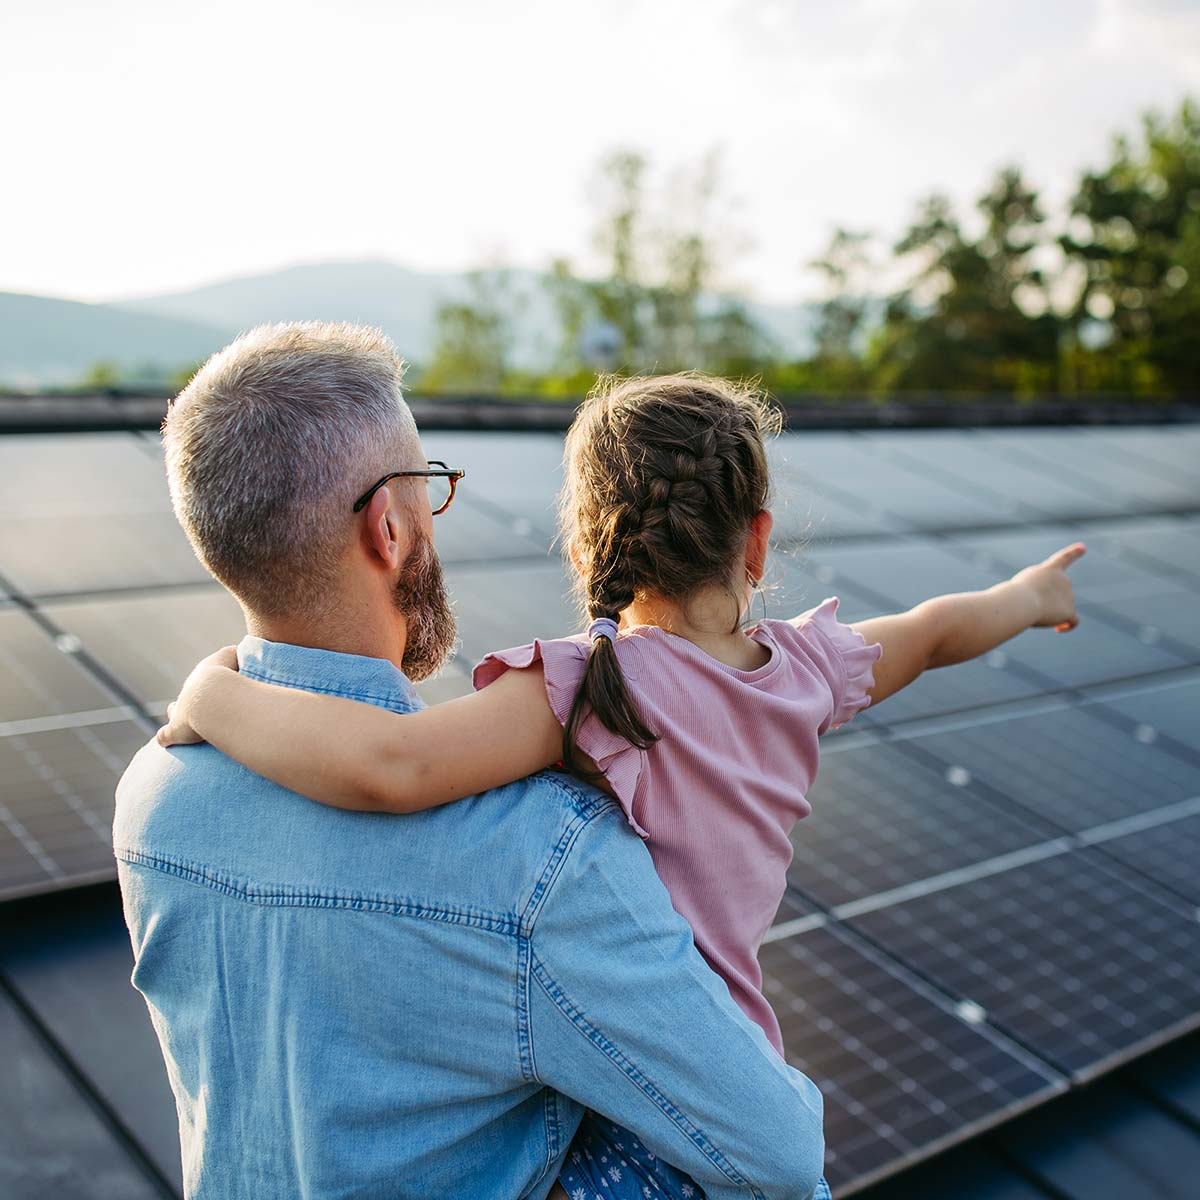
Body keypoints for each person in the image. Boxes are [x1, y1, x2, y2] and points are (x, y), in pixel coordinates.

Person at [158, 370, 1085, 1200]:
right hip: (723, 1064)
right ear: (756, 544)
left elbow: (390, 767)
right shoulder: (807, 671)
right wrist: (1028, 597)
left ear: (591, 544)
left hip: (644, 1125)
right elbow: (930, 631)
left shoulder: (595, 690)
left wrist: (213, 692)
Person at [115, 323, 832, 1200]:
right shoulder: (542, 855)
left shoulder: (151, 800)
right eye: (430, 489)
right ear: (388, 526)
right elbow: (780, 1156)